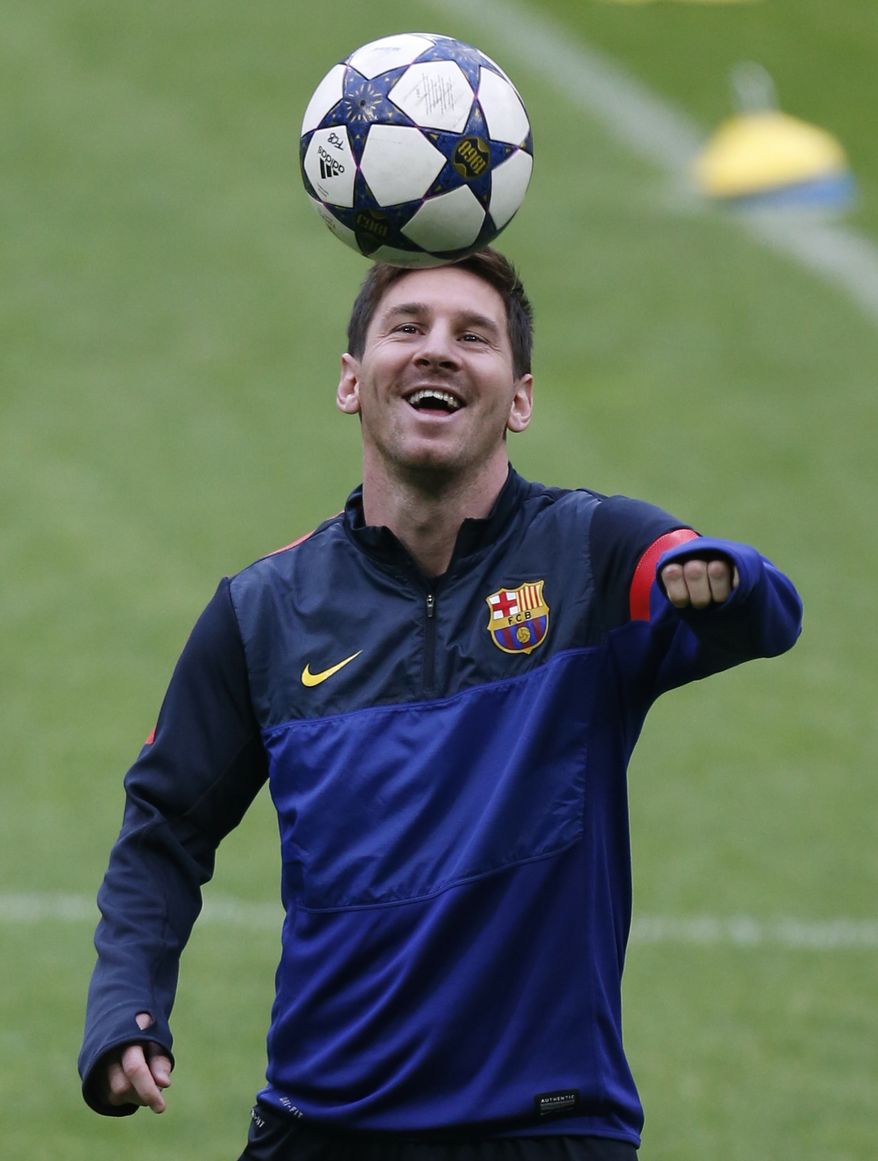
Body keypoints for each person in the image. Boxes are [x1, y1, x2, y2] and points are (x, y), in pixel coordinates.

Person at [79, 248, 802, 1160]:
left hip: (548, 1129)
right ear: (352, 381)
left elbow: (756, 609)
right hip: (323, 1128)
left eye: (474, 336)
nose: (438, 352)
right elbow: (164, 824)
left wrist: (724, 579)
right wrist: (126, 1006)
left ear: (522, 398)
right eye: (408, 328)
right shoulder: (264, 612)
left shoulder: (592, 553)